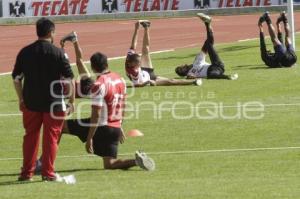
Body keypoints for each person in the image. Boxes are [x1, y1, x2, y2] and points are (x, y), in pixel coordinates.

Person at [36, 32, 155, 172]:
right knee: (110, 164)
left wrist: (90, 137)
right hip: (114, 127)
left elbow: (96, 115)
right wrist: (120, 125)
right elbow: (122, 106)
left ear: (92, 67)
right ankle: (136, 161)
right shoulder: (120, 79)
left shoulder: (99, 85)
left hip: (101, 126)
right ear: (107, 64)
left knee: (60, 126)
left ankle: (43, 163)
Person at [12, 17, 75, 181]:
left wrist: (21, 99)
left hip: (31, 102)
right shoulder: (58, 53)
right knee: (51, 138)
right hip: (54, 103)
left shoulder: (24, 52)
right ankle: (48, 173)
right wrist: (72, 101)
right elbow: (69, 80)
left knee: (30, 137)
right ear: (51, 32)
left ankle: (26, 173)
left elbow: (16, 79)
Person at [125, 20, 202, 87]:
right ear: (132, 64)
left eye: (139, 62)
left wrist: (136, 29)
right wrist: (147, 82)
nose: (140, 64)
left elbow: (133, 45)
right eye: (138, 63)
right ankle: (193, 82)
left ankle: (146, 27)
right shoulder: (133, 72)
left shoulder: (129, 57)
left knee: (145, 50)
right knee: (171, 81)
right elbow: (137, 85)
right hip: (150, 80)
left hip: (145, 72)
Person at [175, 13, 238, 80]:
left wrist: (209, 34)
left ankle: (207, 23)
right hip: (213, 72)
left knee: (209, 44)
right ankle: (228, 77)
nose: (182, 65)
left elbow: (207, 44)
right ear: (184, 72)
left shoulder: (197, 60)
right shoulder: (189, 73)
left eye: (180, 66)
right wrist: (191, 77)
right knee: (211, 75)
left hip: (216, 65)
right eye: (181, 69)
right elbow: (190, 77)